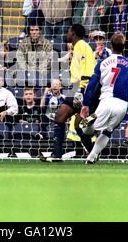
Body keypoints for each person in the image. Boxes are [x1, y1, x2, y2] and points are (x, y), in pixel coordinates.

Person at [80, 33, 128, 164]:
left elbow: (92, 84)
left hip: (106, 101)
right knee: (108, 130)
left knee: (84, 128)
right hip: (122, 105)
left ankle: (88, 128)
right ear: (124, 46)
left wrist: (85, 104)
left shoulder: (103, 63)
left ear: (111, 45)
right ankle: (92, 157)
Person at [40, 24, 96, 162]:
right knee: (70, 122)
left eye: (69, 31)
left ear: (73, 33)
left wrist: (82, 88)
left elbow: (89, 69)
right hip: (77, 88)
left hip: (81, 89)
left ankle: (59, 154)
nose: (67, 34)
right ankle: (91, 153)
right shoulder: (77, 48)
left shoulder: (82, 46)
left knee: (64, 119)